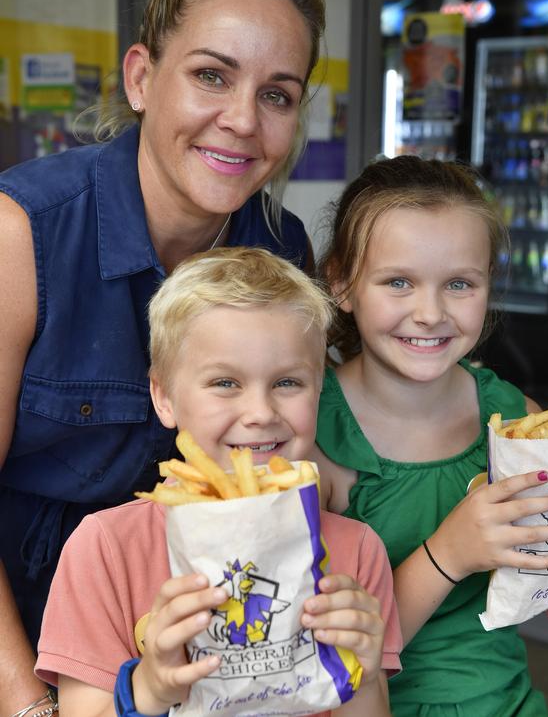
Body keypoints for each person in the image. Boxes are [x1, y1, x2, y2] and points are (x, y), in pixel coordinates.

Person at [0, 0, 326, 716]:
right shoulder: (23, 233)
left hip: (203, 669)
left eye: (275, 94)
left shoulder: (282, 256)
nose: (244, 120)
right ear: (143, 77)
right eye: (212, 76)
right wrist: (22, 698)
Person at [313, 156, 548, 716]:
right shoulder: (314, 440)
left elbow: (526, 571)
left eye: (459, 283)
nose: (430, 312)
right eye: (398, 282)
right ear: (342, 282)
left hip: (511, 702)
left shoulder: (518, 417)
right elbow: (325, 657)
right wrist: (449, 555)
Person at [35, 247, 402, 717]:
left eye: (288, 382)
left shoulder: (356, 552)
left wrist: (363, 675)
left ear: (319, 391)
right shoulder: (105, 549)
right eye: (225, 383)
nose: (260, 414)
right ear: (164, 397)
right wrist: (148, 689)